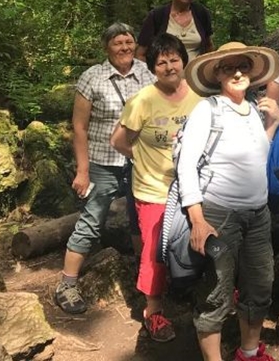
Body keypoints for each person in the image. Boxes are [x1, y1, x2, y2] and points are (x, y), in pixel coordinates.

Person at [179, 42, 279, 361]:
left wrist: (273, 123)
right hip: (219, 218)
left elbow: (257, 155)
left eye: (243, 66)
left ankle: (248, 353)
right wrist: (198, 220)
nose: (237, 73)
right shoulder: (207, 110)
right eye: (229, 68)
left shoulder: (252, 109)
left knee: (259, 286)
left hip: (258, 216)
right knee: (217, 289)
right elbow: (186, 164)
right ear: (217, 75)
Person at [54, 23, 155, 315]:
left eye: (128, 41)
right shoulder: (92, 77)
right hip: (103, 162)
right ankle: (67, 284)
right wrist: (82, 170)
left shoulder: (146, 73)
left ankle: (143, 276)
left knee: (140, 219)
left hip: (139, 160)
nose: (124, 47)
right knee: (92, 220)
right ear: (106, 47)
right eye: (117, 43)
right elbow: (79, 127)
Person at [110, 33, 201, 342]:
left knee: (201, 239)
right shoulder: (143, 100)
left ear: (184, 61)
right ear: (152, 68)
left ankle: (202, 294)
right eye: (161, 62)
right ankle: (154, 311)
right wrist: (141, 158)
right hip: (153, 189)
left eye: (174, 59)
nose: (169, 66)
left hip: (194, 187)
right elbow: (118, 141)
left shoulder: (199, 96)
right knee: (154, 251)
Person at [137, 0, 214, 61]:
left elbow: (209, 48)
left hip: (195, 70)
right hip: (165, 70)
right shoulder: (157, 15)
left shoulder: (201, 13)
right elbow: (140, 54)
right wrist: (152, 70)